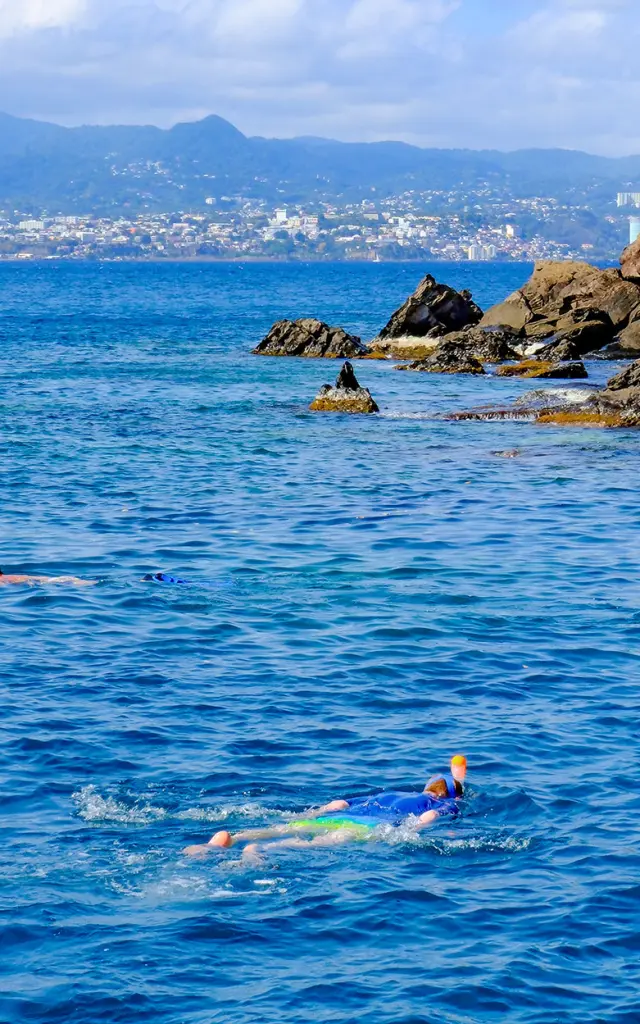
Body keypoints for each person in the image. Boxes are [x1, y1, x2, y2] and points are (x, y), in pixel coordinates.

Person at [183, 755, 467, 861]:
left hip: (341, 815)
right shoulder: (442, 804)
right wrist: (411, 830)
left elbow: (339, 803)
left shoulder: (392, 792)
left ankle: (228, 840)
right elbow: (430, 816)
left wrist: (314, 813)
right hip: (364, 826)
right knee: (314, 843)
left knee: (281, 828)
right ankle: (260, 851)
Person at [0, 568, 96, 586]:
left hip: (27, 582)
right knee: (53, 580)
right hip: (30, 578)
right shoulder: (8, 576)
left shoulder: (3, 580)